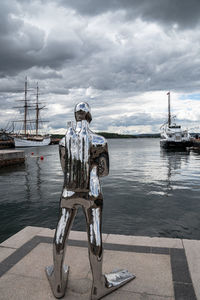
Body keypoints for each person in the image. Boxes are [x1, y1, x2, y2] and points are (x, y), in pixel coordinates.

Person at [46, 102, 134, 299]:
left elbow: (64, 168)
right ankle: (97, 286)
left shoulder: (63, 141)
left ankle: (58, 283)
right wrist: (92, 172)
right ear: (89, 116)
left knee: (61, 229)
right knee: (94, 232)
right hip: (92, 192)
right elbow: (106, 171)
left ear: (75, 116)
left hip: (68, 191)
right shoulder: (100, 141)